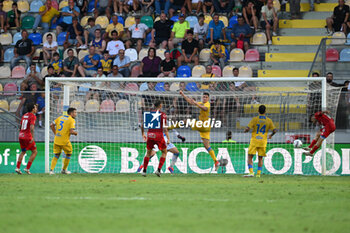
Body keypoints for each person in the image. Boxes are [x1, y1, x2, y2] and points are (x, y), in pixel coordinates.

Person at [177, 91, 220, 170]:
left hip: (204, 125)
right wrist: (183, 95)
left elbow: (204, 108)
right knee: (207, 146)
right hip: (203, 126)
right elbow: (190, 102)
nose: (204, 98)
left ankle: (173, 127)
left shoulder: (207, 104)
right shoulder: (201, 103)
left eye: (206, 97)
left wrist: (196, 103)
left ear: (208, 98)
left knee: (187, 121)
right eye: (203, 97)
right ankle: (216, 161)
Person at [244, 105, 276, 177]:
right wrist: (271, 135)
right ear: (265, 111)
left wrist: (245, 131)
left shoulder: (255, 119)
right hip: (263, 141)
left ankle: (251, 172)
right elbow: (275, 130)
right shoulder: (269, 120)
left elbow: (248, 128)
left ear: (258, 111)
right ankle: (258, 174)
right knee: (260, 158)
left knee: (250, 157)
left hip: (255, 140)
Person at [140, 100, 170, 177]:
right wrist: (168, 138)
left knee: (148, 153)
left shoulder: (149, 114)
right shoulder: (163, 114)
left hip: (150, 135)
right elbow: (165, 128)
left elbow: (142, 125)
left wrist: (143, 134)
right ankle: (159, 170)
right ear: (160, 105)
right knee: (164, 152)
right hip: (159, 136)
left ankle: (144, 171)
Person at [49, 108, 78, 175]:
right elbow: (71, 131)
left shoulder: (60, 117)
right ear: (71, 113)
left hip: (57, 140)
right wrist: (76, 133)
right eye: (75, 112)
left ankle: (51, 170)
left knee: (56, 155)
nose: (76, 114)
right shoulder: (71, 120)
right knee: (69, 154)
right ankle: (64, 170)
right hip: (65, 141)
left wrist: (55, 133)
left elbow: (51, 125)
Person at [15, 103, 38, 175]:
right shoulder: (33, 116)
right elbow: (32, 128)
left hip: (21, 135)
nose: (36, 109)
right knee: (34, 152)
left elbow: (20, 126)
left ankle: (17, 168)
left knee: (23, 151)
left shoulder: (24, 115)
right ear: (33, 109)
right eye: (35, 107)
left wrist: (21, 133)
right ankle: (27, 168)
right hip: (28, 136)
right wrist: (32, 137)